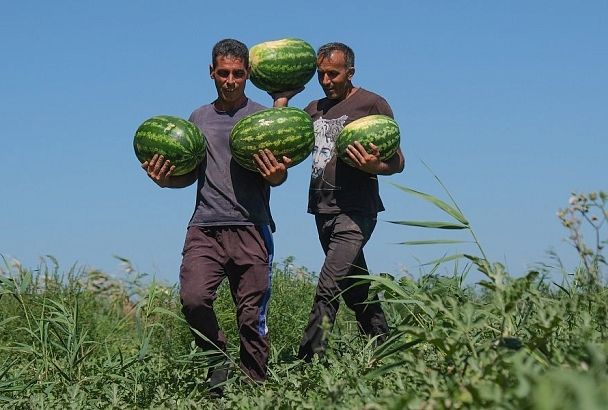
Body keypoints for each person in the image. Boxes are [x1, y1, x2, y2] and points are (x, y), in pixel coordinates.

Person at [141, 39, 291, 389]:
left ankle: (255, 388)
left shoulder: (263, 118)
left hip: (251, 227)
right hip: (205, 227)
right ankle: (216, 359)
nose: (230, 80)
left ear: (248, 74)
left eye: (238, 74)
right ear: (211, 73)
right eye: (223, 73)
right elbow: (190, 175)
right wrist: (164, 181)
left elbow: (280, 174)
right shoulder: (198, 118)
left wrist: (275, 175)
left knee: (251, 317)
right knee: (193, 299)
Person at [273, 42, 405, 361]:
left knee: (328, 286)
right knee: (357, 290)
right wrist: (281, 101)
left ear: (351, 72)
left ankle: (308, 362)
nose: (326, 80)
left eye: (333, 74)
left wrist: (375, 166)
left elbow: (398, 161)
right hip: (322, 211)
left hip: (356, 211)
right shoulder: (313, 109)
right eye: (321, 74)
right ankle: (388, 353)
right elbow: (280, 137)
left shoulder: (372, 103)